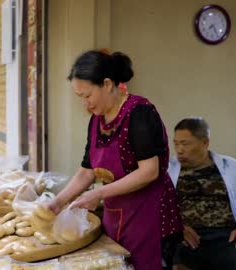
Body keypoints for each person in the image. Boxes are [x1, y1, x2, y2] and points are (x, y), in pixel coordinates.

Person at [48, 50, 183, 269]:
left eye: (88, 95)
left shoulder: (139, 112)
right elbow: (87, 171)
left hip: (150, 218)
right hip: (117, 217)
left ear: (108, 84)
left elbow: (149, 171)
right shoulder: (96, 121)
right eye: (79, 97)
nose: (85, 104)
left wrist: (98, 193)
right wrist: (57, 202)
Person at [168, 117, 236, 270]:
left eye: (185, 144)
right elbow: (155, 206)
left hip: (226, 236)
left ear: (205, 142)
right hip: (186, 236)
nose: (179, 150)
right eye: (176, 143)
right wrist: (176, 226)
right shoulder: (167, 169)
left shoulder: (231, 166)